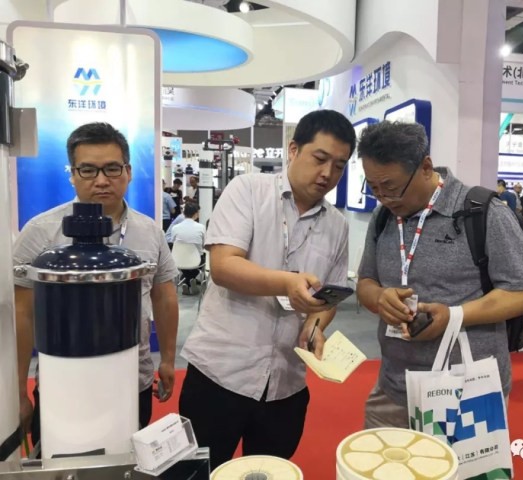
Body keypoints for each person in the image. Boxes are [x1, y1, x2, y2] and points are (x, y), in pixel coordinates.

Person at [179, 110, 356, 469]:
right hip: (221, 373)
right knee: (200, 472)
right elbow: (224, 266)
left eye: (339, 166)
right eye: (320, 159)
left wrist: (315, 326)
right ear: (293, 150)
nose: (327, 173)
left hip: (286, 384)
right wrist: (287, 282)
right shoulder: (248, 190)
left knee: (270, 471)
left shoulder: (337, 225)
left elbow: (328, 298)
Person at [355, 121, 523, 428]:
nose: (384, 198)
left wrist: (454, 316)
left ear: (426, 167)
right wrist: (380, 298)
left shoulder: (482, 212)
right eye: (373, 188)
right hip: (394, 388)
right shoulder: (383, 218)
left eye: (391, 187)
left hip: (466, 393)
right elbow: (366, 282)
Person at [13, 122, 179, 443]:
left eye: (112, 169)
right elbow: (22, 314)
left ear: (128, 172)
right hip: (64, 382)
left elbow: (164, 296)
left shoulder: (150, 231)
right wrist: (18, 390)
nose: (101, 180)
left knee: (128, 459)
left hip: (133, 379)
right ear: (72, 174)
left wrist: (169, 360)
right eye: (88, 170)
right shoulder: (41, 231)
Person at [168, 202, 206, 295]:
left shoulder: (175, 228)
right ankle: (190, 280)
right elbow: (204, 244)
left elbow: (173, 243)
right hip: (196, 260)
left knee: (185, 263)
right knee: (202, 259)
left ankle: (187, 281)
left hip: (178, 260)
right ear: (196, 213)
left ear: (184, 213)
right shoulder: (201, 227)